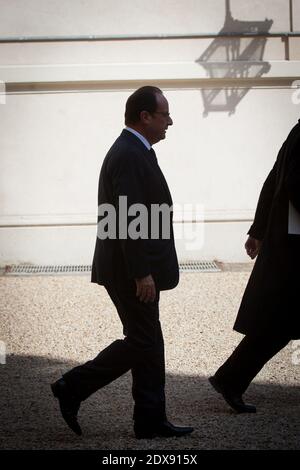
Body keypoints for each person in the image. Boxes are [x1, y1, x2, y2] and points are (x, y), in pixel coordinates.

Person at [51, 86, 193, 439]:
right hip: (130, 271)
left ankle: (150, 419)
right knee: (143, 340)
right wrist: (141, 272)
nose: (170, 122)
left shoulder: (136, 149)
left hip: (132, 267)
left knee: (148, 339)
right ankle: (72, 386)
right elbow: (128, 217)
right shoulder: (130, 153)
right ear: (145, 117)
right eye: (165, 115)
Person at [209, 119, 300, 413]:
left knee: (280, 322)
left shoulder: (297, 131)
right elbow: (289, 183)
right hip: (294, 246)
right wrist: (259, 230)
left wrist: (258, 230)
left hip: (288, 242)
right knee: (279, 322)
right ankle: (230, 379)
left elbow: (274, 181)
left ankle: (231, 379)